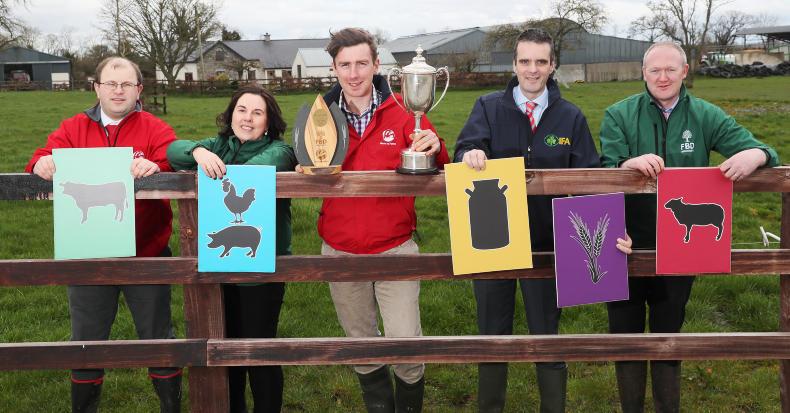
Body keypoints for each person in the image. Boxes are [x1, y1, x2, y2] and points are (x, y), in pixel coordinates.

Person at [455, 28, 632, 413]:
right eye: (524, 61)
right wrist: (469, 153)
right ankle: (490, 406)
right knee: (492, 332)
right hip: (492, 238)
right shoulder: (487, 106)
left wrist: (612, 232)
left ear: (552, 66)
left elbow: (590, 177)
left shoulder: (570, 116)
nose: (531, 70)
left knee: (545, 331)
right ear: (514, 64)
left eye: (540, 62)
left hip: (550, 244)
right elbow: (466, 147)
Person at [600, 41, 779, 413]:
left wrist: (756, 154)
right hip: (624, 244)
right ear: (643, 73)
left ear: (684, 71)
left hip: (680, 251)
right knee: (625, 332)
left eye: (670, 69)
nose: (662, 77)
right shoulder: (618, 114)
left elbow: (758, 148)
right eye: (654, 70)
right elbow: (604, 166)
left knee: (669, 330)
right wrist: (627, 164)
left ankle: (668, 406)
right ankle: (630, 406)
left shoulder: (706, 116)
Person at [296, 27, 450, 413]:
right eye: (345, 65)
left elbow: (438, 162)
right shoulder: (320, 117)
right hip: (340, 249)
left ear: (376, 64)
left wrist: (436, 146)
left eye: (361, 63)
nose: (353, 73)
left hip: (395, 247)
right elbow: (295, 157)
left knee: (405, 343)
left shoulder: (403, 111)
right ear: (333, 68)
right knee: (361, 344)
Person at [26, 57, 181, 413]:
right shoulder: (73, 128)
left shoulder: (154, 128)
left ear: (139, 90)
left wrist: (158, 166)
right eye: (110, 83)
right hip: (87, 257)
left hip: (146, 253)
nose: (118, 90)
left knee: (158, 336)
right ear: (96, 87)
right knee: (86, 341)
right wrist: (42, 163)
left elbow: (173, 159)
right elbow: (39, 157)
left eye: (127, 84)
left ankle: (170, 406)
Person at [167, 85, 296, 413]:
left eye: (257, 112)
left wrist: (219, 169)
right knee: (226, 353)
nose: (248, 118)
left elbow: (263, 167)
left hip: (261, 271)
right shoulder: (217, 145)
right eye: (242, 110)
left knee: (259, 351)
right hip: (219, 272)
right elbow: (173, 151)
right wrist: (198, 153)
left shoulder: (280, 150)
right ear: (231, 114)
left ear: (268, 121)